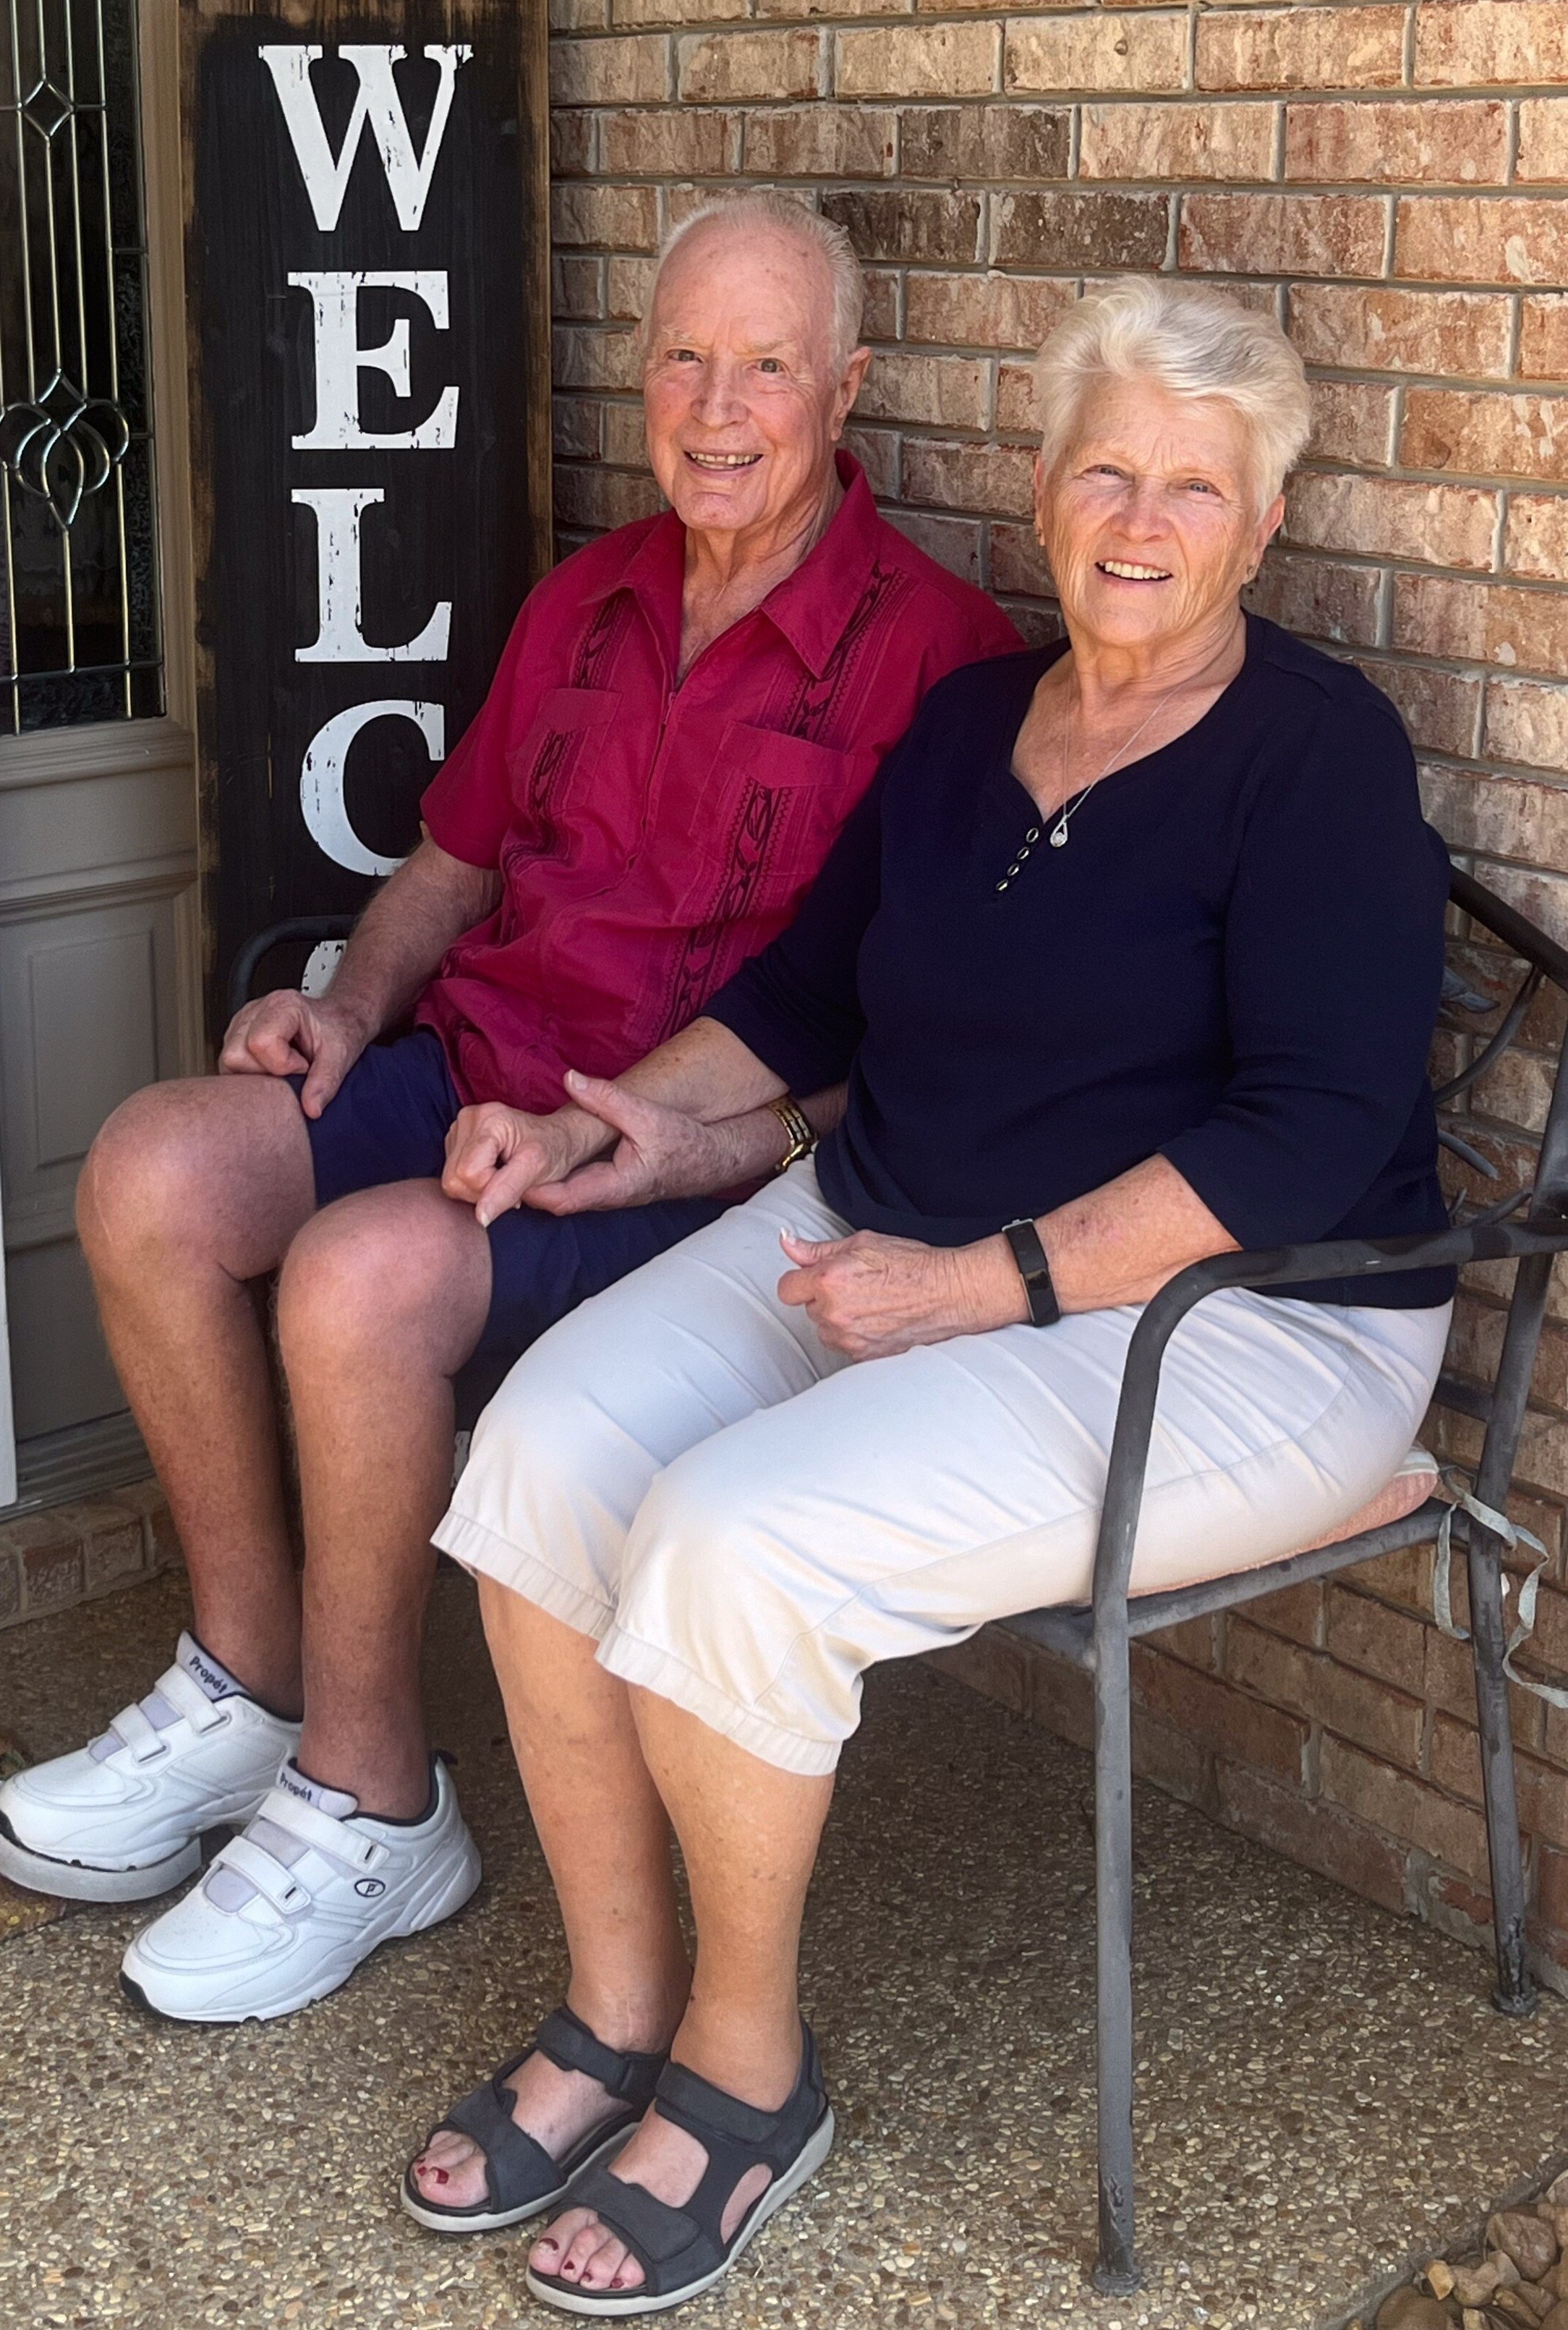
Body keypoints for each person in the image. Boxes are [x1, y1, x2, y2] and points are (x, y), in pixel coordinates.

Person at [409, 275, 1454, 2314]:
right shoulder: (975, 718)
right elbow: (805, 997)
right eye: (1102, 468)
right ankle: (618, 2004)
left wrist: (992, 1281)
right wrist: (609, 1116)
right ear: (1046, 488)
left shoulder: (1313, 754)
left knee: (736, 1536)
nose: (1136, 519)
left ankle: (741, 2069)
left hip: (1249, 1314)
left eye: (1192, 486)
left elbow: (1305, 1133)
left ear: (1260, 523)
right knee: (536, 1453)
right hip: (893, 1218)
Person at [0, 192, 1013, 2025]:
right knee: (152, 1166)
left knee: (365, 1281)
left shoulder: (944, 660)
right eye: (684, 356)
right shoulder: (590, 599)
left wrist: (717, 1141)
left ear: (845, 388)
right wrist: (343, 1006)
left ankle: (379, 1799)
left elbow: (935, 1019)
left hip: (672, 1170)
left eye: (767, 364)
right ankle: (249, 1684)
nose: (717, 403)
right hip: (463, 1068)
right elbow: (451, 861)